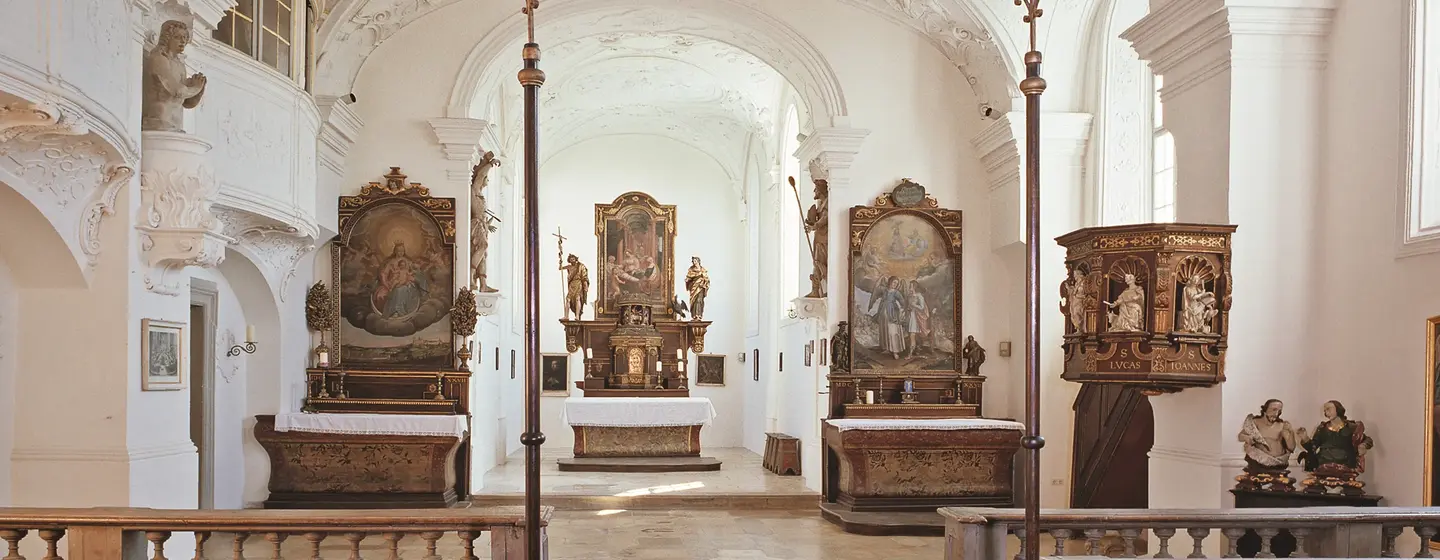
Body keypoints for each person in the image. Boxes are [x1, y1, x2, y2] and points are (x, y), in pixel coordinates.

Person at [142, 20, 207, 132]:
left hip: (176, 121)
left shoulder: (179, 64)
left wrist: (200, 87)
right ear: (167, 38)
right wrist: (195, 88)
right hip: (159, 119)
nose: (183, 41)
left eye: (185, 38)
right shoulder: (159, 58)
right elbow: (177, 91)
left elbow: (187, 103)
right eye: (177, 37)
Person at [374, 242, 427, 318]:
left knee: (401, 290)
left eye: (402, 251)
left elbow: (413, 270)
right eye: (399, 251)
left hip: (406, 281)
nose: (401, 253)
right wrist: (386, 282)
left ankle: (398, 311)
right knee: (385, 293)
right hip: (392, 281)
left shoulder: (407, 261)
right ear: (395, 251)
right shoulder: (391, 262)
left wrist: (415, 272)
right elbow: (385, 273)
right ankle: (393, 311)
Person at [560, 254, 589, 320]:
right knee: (568, 299)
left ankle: (577, 316)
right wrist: (560, 261)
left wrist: (585, 285)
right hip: (571, 284)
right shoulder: (569, 267)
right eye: (570, 259)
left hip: (578, 283)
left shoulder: (581, 266)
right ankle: (566, 316)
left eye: (573, 259)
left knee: (577, 298)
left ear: (576, 259)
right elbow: (560, 268)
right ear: (569, 260)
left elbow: (584, 276)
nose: (572, 260)